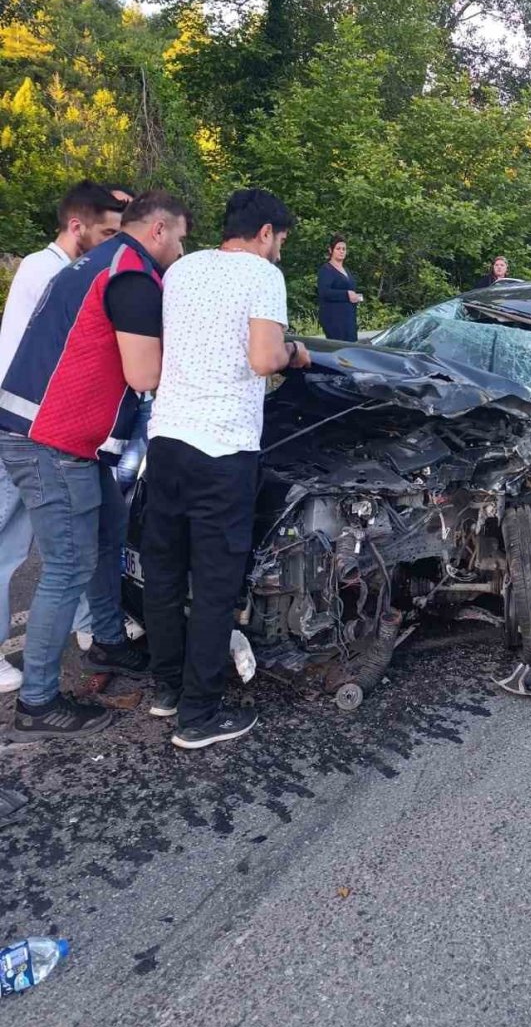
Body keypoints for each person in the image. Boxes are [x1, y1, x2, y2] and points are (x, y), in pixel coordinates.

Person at [0, 190, 190, 740]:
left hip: (58, 438)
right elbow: (144, 375)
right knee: (66, 566)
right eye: (179, 238)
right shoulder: (129, 273)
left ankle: (107, 640)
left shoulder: (92, 262)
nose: (180, 250)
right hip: (50, 442)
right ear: (157, 230)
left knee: (108, 529)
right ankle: (38, 702)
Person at [141, 188, 311, 751]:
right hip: (223, 450)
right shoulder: (262, 276)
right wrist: (295, 353)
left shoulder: (184, 269)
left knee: (164, 574)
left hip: (166, 441)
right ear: (265, 233)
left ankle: (166, 691)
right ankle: (199, 715)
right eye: (279, 241)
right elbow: (264, 359)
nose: (278, 252)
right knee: (215, 585)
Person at [0, 181, 126, 695]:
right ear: (77, 226)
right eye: (106, 232)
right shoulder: (47, 270)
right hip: (26, 429)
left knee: (64, 547)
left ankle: (83, 625)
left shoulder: (62, 269)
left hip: (40, 430)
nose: (113, 243)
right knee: (9, 545)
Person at [317, 234, 362, 341]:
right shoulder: (326, 270)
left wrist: (357, 297)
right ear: (331, 250)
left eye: (344, 249)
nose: (341, 251)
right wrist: (346, 294)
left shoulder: (347, 270)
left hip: (349, 319)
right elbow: (324, 292)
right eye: (338, 248)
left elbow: (351, 291)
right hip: (334, 319)